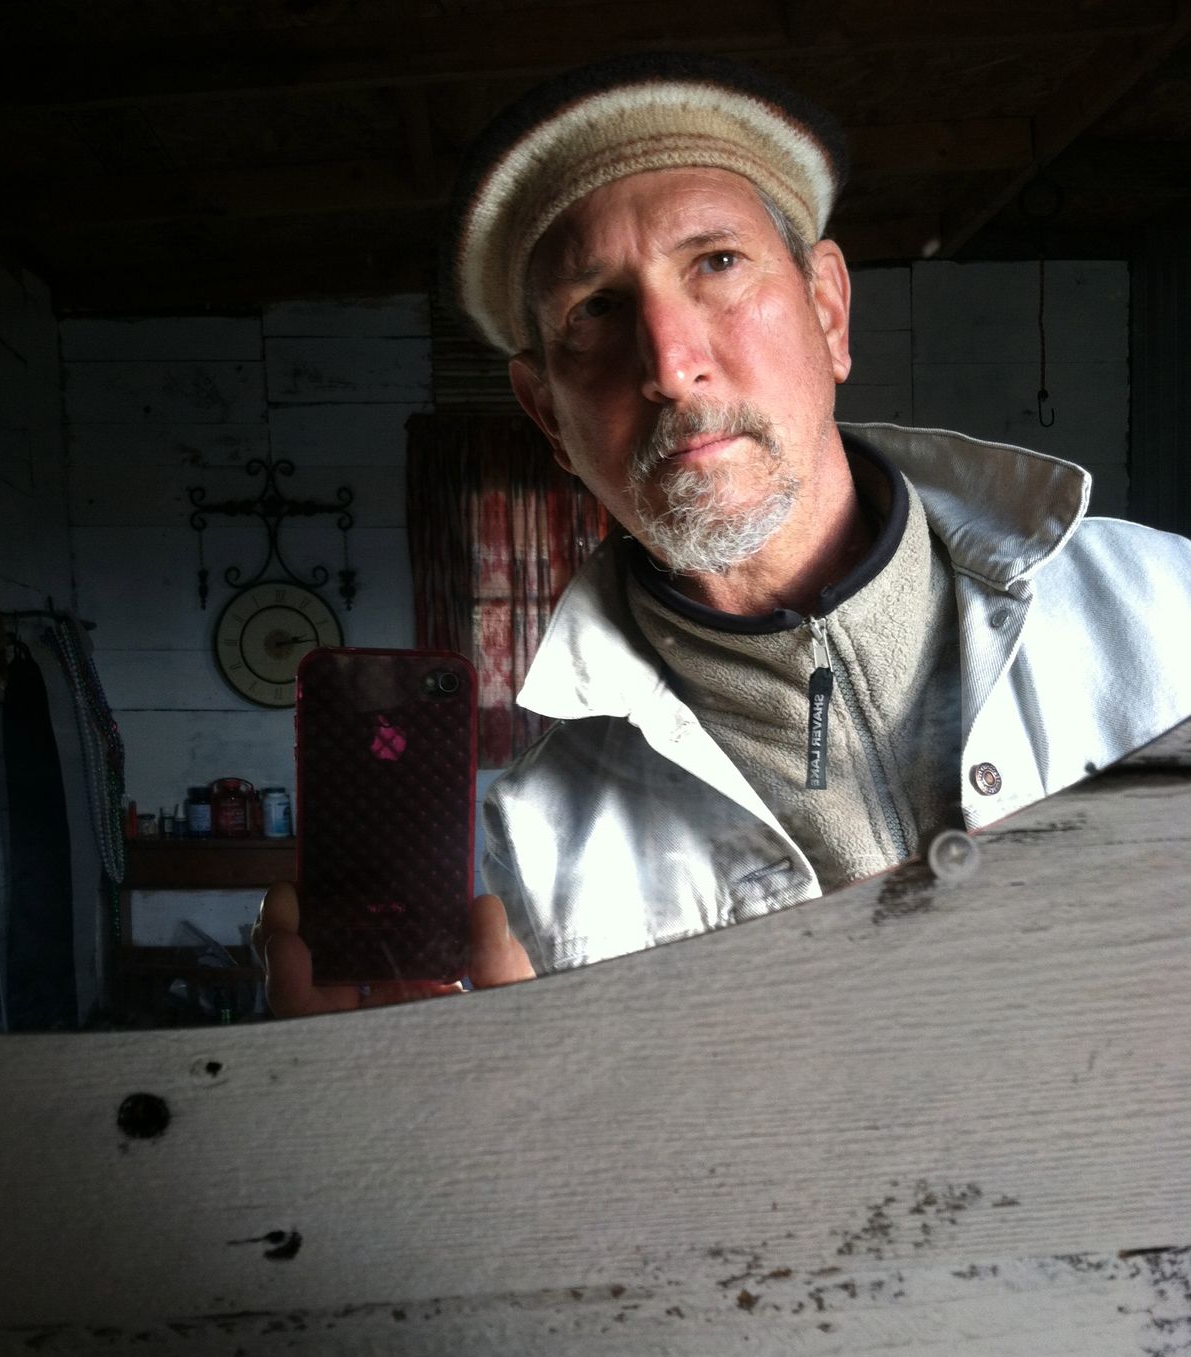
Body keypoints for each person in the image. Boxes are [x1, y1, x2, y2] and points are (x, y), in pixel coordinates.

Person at [257, 51, 1191, 1009]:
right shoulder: (535, 847)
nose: (668, 364)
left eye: (716, 263)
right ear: (548, 419)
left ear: (827, 310)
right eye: (595, 310)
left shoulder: (1169, 611)